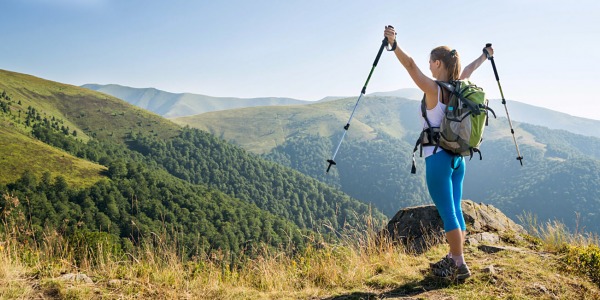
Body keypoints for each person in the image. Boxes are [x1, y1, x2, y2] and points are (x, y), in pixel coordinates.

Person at [384, 25, 493, 280]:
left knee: (448, 213)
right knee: (454, 209)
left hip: (438, 159)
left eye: (430, 63)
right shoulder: (459, 86)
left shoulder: (434, 90)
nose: (428, 67)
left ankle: (458, 264)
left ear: (437, 63)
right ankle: (454, 257)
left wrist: (394, 44)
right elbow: (470, 69)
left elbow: (410, 66)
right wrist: (485, 56)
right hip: (457, 160)